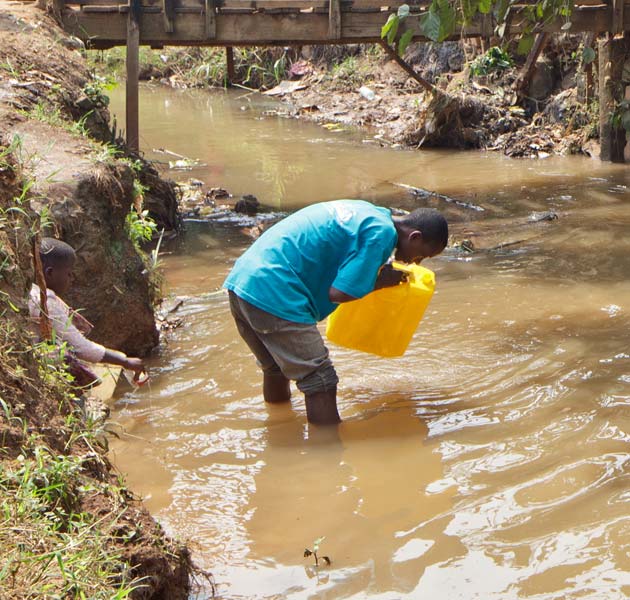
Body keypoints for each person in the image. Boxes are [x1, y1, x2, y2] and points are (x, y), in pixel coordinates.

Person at [224, 199, 448, 425]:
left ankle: (279, 430)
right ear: (415, 237)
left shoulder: (369, 213)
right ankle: (328, 452)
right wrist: (380, 281)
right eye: (422, 255)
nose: (416, 261)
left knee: (275, 368)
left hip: (243, 282)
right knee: (321, 380)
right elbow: (339, 293)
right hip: (275, 291)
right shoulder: (382, 234)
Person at [29, 237, 146, 391]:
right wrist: (126, 362)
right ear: (50, 273)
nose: (72, 278)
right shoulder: (46, 302)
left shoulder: (33, 292)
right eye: (69, 273)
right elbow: (83, 349)